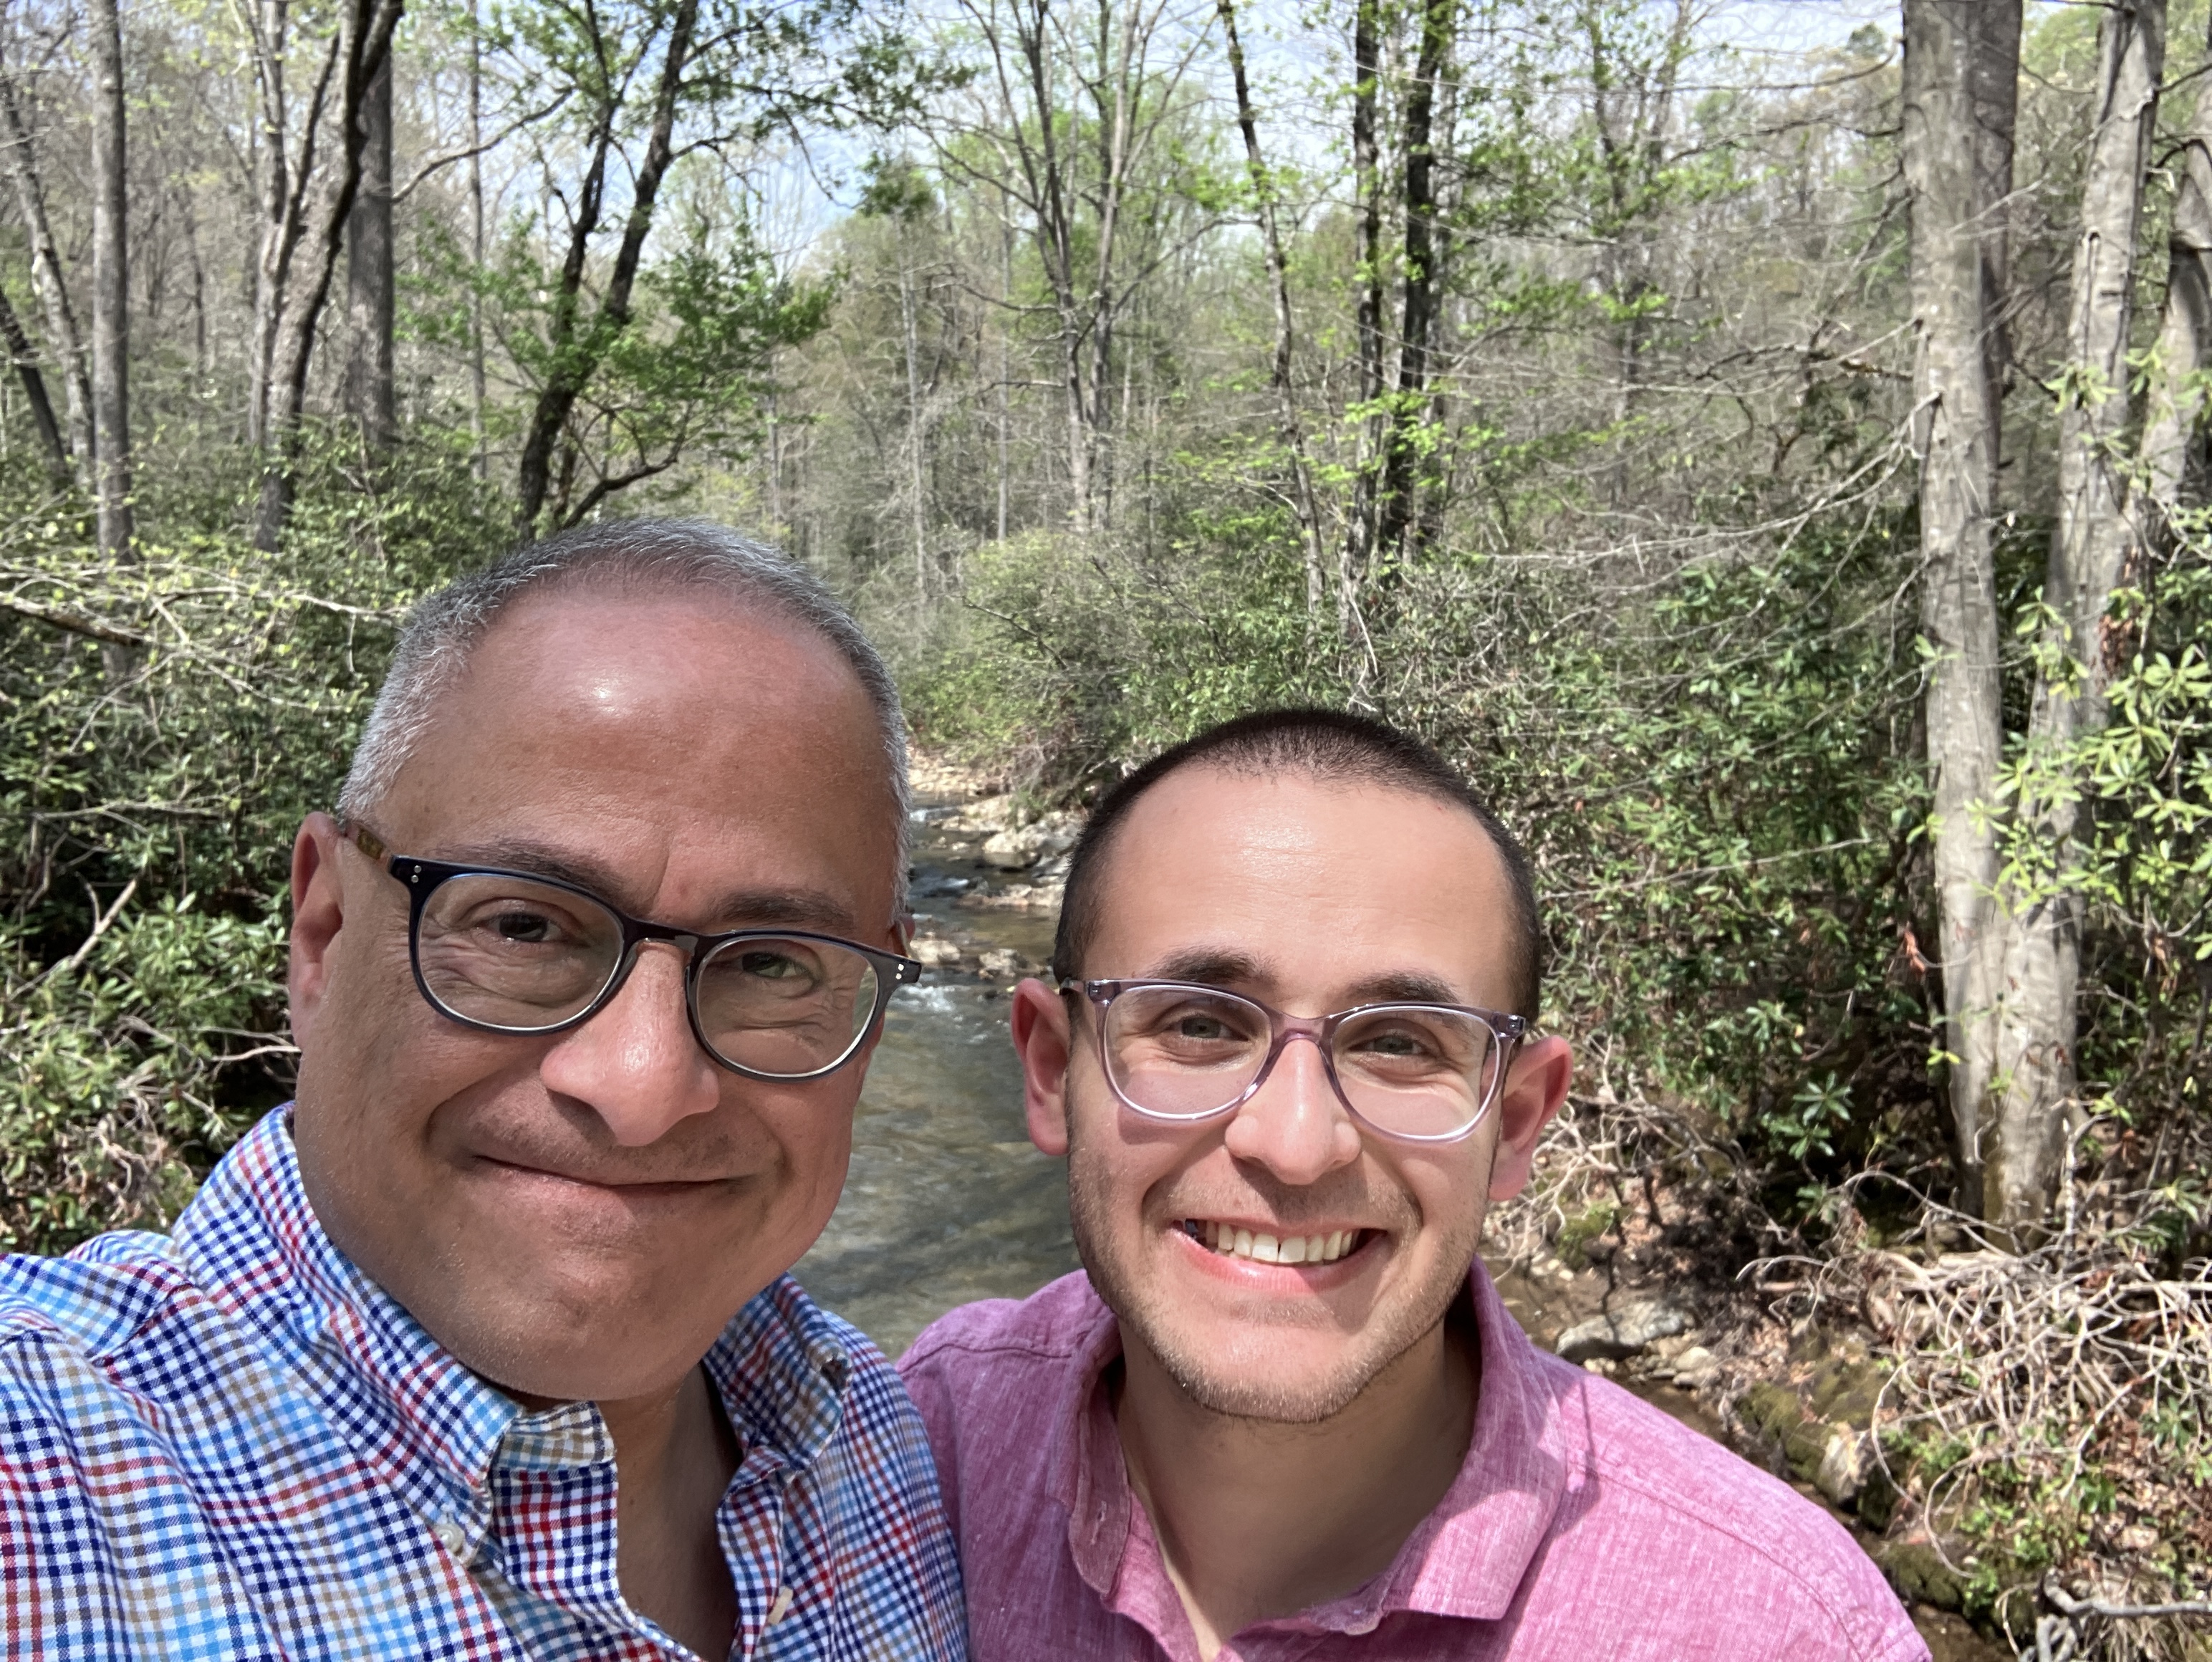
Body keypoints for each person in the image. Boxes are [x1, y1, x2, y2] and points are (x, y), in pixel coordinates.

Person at [0, 520, 966, 1661]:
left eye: (769, 964)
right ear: (322, 938)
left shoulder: (868, 1426)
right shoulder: (47, 1467)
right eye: (522, 926)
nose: (643, 1088)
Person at [900, 708, 1929, 1662]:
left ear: (1517, 1121)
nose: (1296, 1144)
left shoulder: (1776, 1625)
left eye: (1399, 1043)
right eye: (1200, 1024)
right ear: (1048, 1071)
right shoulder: (921, 1451)